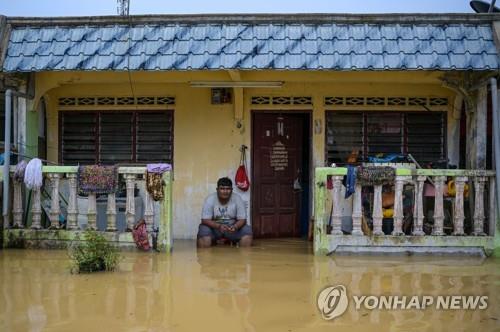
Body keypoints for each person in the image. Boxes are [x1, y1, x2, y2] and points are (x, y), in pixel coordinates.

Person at [197, 177, 253, 248]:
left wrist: (235, 227)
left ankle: (242, 257)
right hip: (214, 228)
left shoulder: (237, 199)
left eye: (228, 189)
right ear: (217, 190)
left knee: (247, 230)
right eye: (222, 189)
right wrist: (218, 226)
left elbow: (243, 220)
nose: (225, 191)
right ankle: (205, 256)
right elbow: (204, 220)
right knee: (203, 230)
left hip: (231, 229)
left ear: (232, 190)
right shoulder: (210, 199)